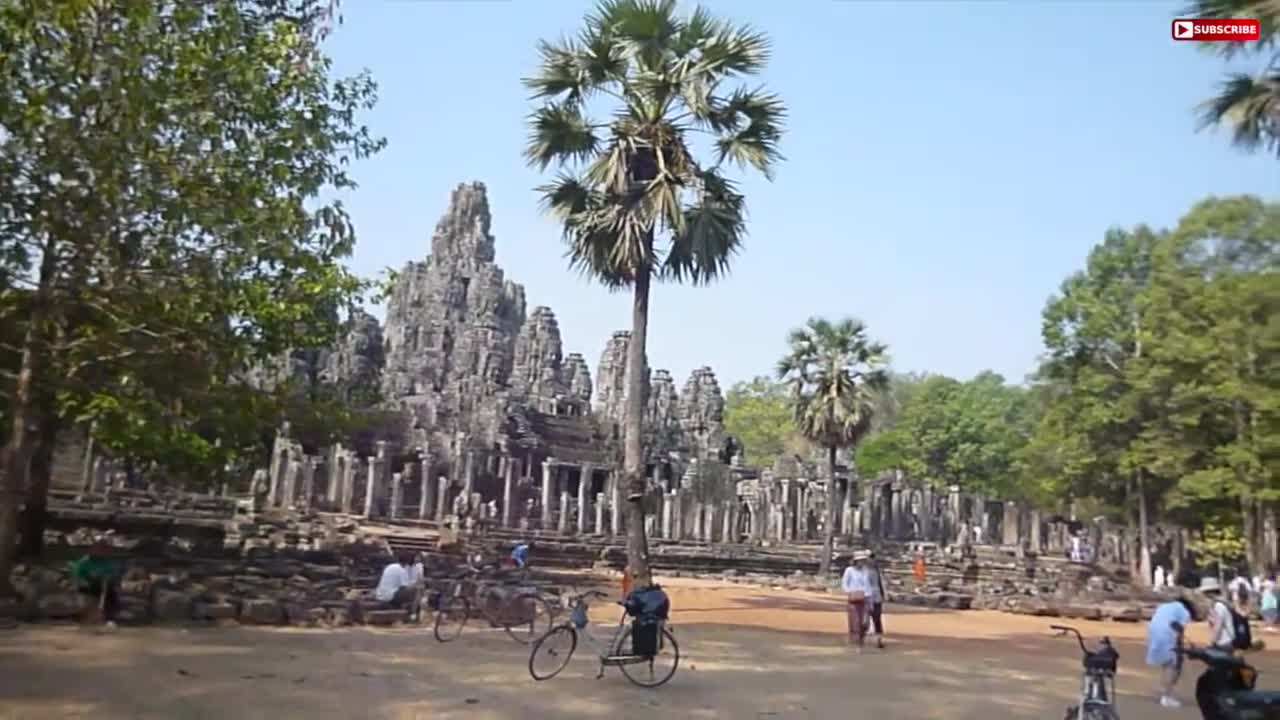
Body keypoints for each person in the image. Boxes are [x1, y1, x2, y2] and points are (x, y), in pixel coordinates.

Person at [1146, 597, 1197, 708]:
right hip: (1167, 634)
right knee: (1174, 666)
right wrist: (1182, 648)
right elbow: (1179, 630)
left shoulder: (1165, 606)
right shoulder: (1184, 611)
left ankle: (1163, 693)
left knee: (1166, 664)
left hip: (1153, 633)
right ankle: (1166, 697)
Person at [70, 542, 123, 628]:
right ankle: (79, 618)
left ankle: (110, 619)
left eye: (101, 550)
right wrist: (84, 582)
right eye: (96, 549)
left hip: (102, 585)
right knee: (83, 595)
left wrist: (107, 579)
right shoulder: (83, 562)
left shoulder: (107, 562)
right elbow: (77, 576)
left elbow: (112, 574)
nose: (99, 552)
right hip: (87, 586)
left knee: (112, 593)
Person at [841, 551, 874, 652]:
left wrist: (870, 598)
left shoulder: (866, 571)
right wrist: (851, 592)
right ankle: (857, 643)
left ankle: (861, 640)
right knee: (855, 622)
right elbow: (844, 584)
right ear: (855, 561)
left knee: (865, 622)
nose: (861, 562)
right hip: (854, 599)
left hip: (865, 598)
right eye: (860, 561)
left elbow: (868, 585)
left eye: (863, 560)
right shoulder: (849, 570)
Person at [1201, 577, 1237, 652]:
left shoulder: (1219, 606)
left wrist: (1212, 642)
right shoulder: (1216, 605)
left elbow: (1218, 626)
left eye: (1205, 593)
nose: (1204, 595)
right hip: (1223, 642)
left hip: (1224, 642)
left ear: (1209, 592)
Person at [867, 551, 887, 650]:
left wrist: (883, 594)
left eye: (873, 558)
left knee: (877, 617)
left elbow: (880, 583)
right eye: (870, 558)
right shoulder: (863, 571)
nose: (872, 560)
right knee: (865, 618)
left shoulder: (877, 571)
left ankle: (879, 639)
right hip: (866, 596)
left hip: (876, 596)